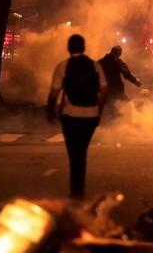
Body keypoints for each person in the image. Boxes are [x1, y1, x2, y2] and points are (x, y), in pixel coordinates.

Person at [47, 34, 108, 200]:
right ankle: (78, 190)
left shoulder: (63, 66)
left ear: (68, 48)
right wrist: (99, 110)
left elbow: (54, 93)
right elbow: (104, 90)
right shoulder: (95, 66)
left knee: (74, 154)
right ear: (83, 48)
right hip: (90, 117)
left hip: (70, 116)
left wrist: (50, 111)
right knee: (81, 152)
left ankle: (76, 192)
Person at [98, 45, 141, 117]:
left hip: (106, 92)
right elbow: (126, 74)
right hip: (117, 90)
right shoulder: (117, 62)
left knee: (114, 113)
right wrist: (135, 81)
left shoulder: (101, 62)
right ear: (119, 53)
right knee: (130, 106)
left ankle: (117, 125)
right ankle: (135, 122)